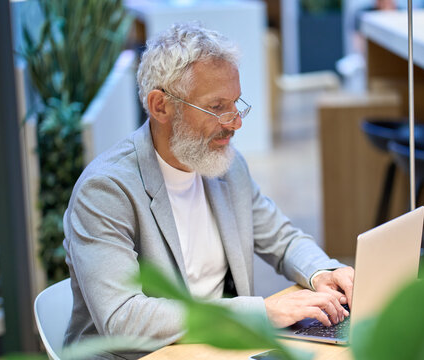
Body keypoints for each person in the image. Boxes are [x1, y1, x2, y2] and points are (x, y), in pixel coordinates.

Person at [63, 22, 354, 359]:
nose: (235, 122)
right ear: (160, 106)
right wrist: (262, 312)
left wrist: (323, 272)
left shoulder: (227, 166)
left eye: (235, 103)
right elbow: (124, 317)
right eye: (217, 108)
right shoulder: (106, 190)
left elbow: (283, 239)